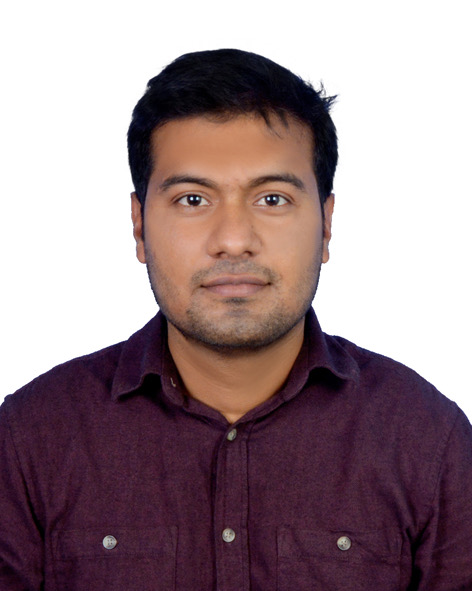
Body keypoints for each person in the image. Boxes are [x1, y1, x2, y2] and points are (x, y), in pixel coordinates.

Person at [1, 49, 471, 591]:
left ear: (326, 226)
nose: (233, 240)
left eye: (272, 198)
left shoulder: (428, 439)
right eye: (192, 199)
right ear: (139, 225)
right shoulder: (31, 438)